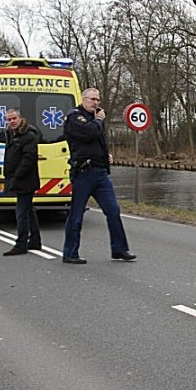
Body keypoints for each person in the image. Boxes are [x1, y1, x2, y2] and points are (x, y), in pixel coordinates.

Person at [61, 88, 136, 265]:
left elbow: (98, 141)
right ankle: (70, 252)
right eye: (92, 99)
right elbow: (88, 133)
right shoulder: (75, 117)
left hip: (100, 173)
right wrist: (99, 120)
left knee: (113, 211)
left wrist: (106, 155)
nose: (96, 103)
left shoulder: (96, 120)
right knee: (76, 214)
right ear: (84, 99)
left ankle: (119, 249)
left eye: (98, 100)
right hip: (84, 173)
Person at [2, 109, 42, 256]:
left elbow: (28, 159)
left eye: (14, 118)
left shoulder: (28, 136)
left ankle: (21, 244)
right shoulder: (11, 135)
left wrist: (17, 176)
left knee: (21, 213)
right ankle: (35, 241)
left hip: (25, 180)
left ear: (20, 119)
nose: (12, 121)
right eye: (9, 119)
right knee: (29, 211)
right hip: (17, 178)